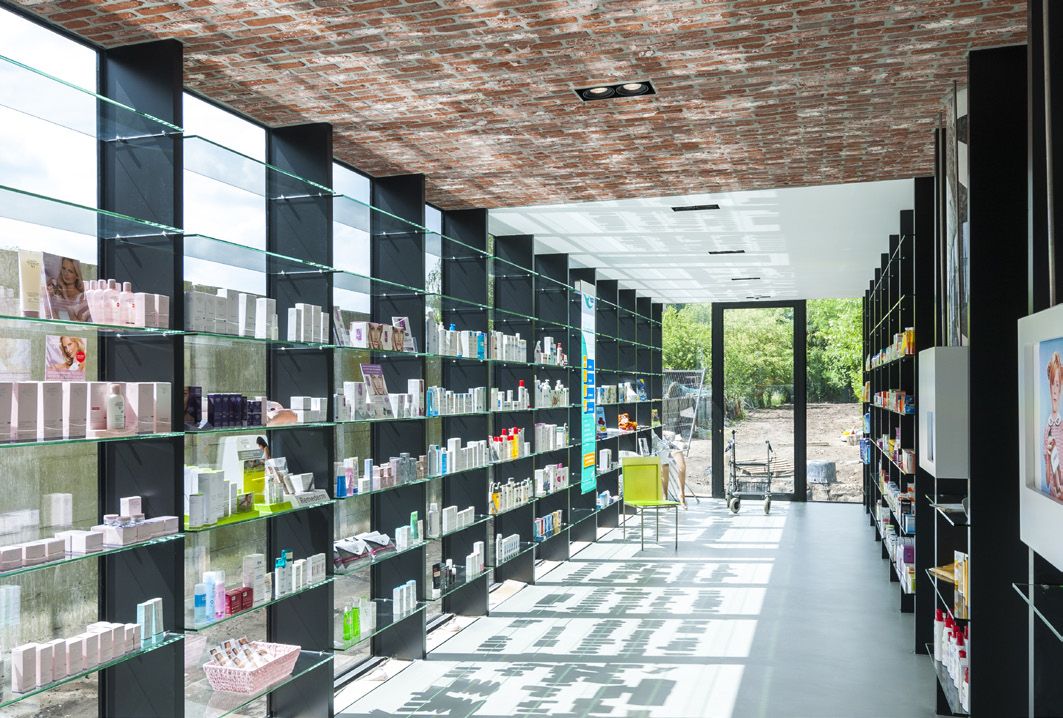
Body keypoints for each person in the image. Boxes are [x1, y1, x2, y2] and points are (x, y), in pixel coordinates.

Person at [1043, 352, 1063, 499]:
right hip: (1051, 499)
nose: (1055, 390)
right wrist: (1048, 457)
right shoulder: (1047, 429)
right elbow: (1047, 481)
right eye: (1052, 384)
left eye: (1057, 384)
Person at [45, 257, 89, 321]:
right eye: (64, 268)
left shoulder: (82, 298)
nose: (66, 274)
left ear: (77, 275)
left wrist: (65, 295)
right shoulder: (54, 289)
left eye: (70, 271)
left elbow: (80, 325)